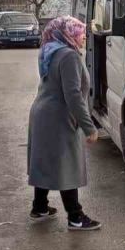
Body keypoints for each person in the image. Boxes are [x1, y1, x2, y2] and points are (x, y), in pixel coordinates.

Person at [27, 16, 102, 232]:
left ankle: (40, 207)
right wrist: (89, 126)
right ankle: (76, 217)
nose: (83, 37)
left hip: (42, 113)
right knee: (67, 164)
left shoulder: (50, 49)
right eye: (79, 33)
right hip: (58, 117)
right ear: (67, 34)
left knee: (44, 159)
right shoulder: (69, 56)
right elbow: (73, 96)